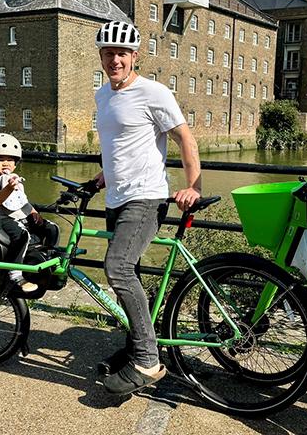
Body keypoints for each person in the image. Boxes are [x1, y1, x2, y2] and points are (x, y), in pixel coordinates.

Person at [92, 20, 202, 395]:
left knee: (117, 268)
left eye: (122, 53)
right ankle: (132, 349)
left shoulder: (154, 92)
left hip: (146, 197)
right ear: (102, 56)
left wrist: (193, 186)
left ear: (135, 56)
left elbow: (185, 138)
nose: (115, 60)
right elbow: (119, 144)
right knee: (130, 276)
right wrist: (102, 175)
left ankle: (148, 360)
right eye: (109, 53)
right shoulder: (102, 95)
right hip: (116, 197)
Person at [0, 133, 59, 293]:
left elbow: (22, 200)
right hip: (0, 218)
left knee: (51, 228)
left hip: (19, 215)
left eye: (10, 160)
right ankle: (14, 274)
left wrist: (34, 212)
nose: (5, 164)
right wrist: (9, 188)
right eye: (0, 160)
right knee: (22, 235)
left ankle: (45, 262)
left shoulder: (15, 181)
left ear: (15, 164)